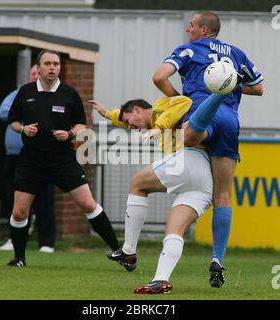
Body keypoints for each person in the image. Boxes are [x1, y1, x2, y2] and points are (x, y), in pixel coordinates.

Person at [152, 11, 263, 287]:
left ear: (203, 29)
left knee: (189, 138)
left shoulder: (189, 49)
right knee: (222, 194)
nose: (188, 29)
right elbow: (259, 88)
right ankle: (218, 259)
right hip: (229, 121)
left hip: (201, 110)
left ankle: (193, 132)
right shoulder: (236, 54)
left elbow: (159, 77)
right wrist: (231, 85)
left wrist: (178, 100)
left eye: (191, 25)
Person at [90, 95, 214, 294]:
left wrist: (159, 126)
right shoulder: (147, 121)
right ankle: (161, 281)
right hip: (204, 182)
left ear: (138, 110)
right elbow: (123, 117)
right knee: (174, 231)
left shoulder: (160, 108)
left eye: (130, 122)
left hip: (191, 159)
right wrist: (106, 114)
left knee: (138, 183)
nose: (130, 128)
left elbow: (185, 103)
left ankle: (128, 251)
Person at [7, 49, 119, 267]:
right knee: (19, 212)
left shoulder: (69, 93)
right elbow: (13, 121)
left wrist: (69, 134)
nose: (52, 67)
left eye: (56, 64)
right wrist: (23, 130)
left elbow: (81, 125)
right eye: (48, 63)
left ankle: (119, 251)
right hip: (31, 161)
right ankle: (19, 258)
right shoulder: (25, 92)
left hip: (63, 160)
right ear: (38, 68)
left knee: (88, 204)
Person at [0, 65, 56, 253]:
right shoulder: (19, 93)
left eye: (38, 73)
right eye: (32, 73)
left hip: (40, 156)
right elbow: (3, 112)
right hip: (13, 157)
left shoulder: (53, 94)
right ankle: (14, 239)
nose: (35, 76)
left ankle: (46, 243)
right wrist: (27, 115)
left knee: (44, 199)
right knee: (9, 195)